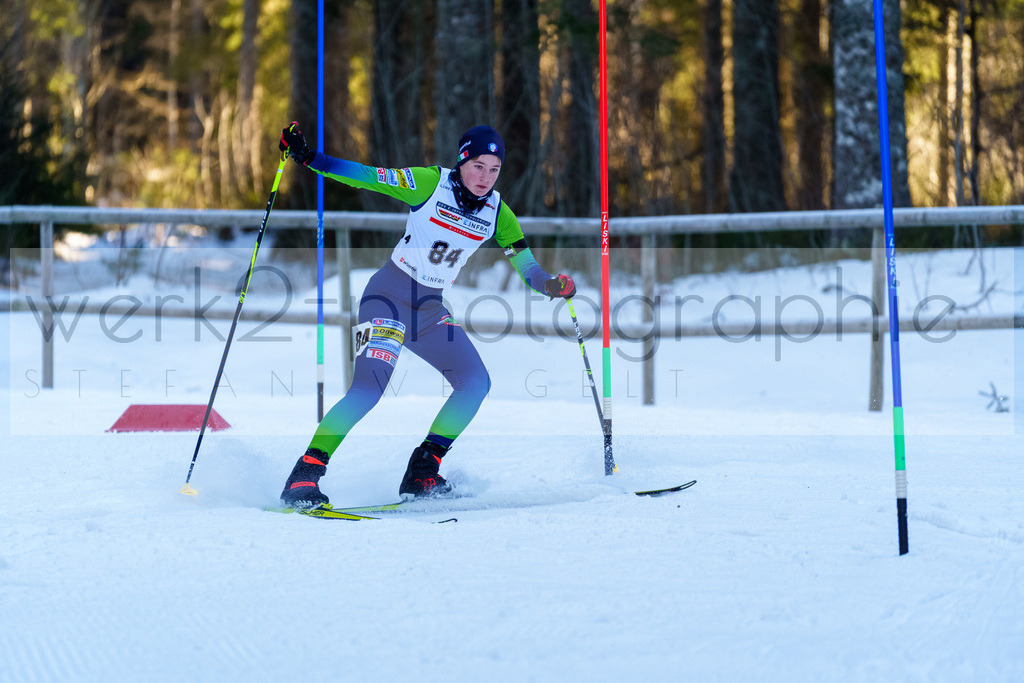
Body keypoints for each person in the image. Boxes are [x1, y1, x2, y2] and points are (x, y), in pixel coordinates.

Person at [277, 122, 576, 508]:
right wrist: (310, 157)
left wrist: (550, 285)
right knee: (368, 390)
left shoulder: (498, 212)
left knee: (475, 382)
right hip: (386, 298)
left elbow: (528, 267)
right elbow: (367, 177)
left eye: (494, 169)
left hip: (429, 309)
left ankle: (422, 472)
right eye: (478, 166)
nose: (485, 177)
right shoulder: (428, 184)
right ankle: (304, 475)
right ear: (462, 161)